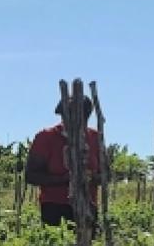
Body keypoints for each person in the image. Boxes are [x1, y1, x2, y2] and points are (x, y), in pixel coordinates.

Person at [25, 95, 103, 226]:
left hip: (88, 206)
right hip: (54, 207)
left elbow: (106, 174)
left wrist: (91, 177)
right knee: (57, 243)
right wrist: (65, 179)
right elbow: (31, 176)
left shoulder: (95, 138)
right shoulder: (46, 137)